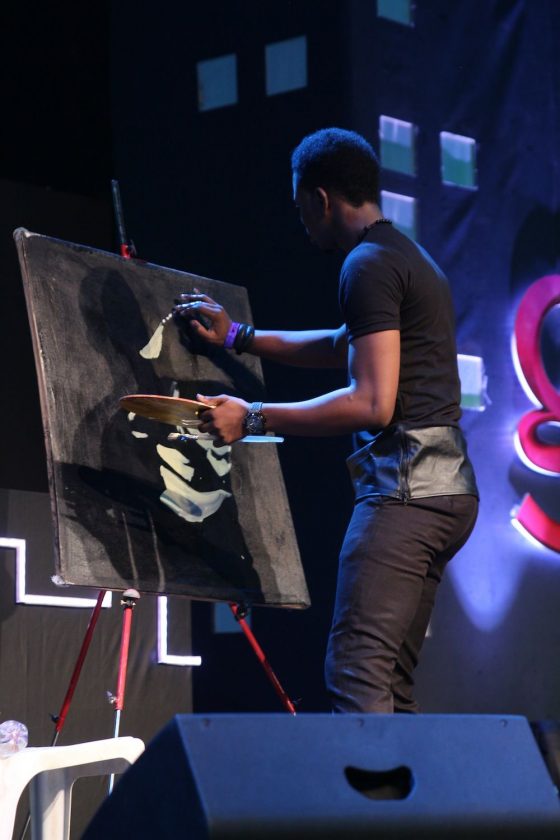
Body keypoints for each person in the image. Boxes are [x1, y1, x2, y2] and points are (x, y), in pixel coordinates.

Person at [175, 127, 478, 713]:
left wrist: (252, 417)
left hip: (406, 493)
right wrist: (239, 337)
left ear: (320, 199)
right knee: (389, 684)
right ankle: (401, 779)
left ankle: (363, 782)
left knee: (356, 674)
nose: (302, 224)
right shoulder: (406, 257)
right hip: (448, 493)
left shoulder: (367, 265)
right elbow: (343, 344)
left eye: (300, 209)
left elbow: (371, 404)